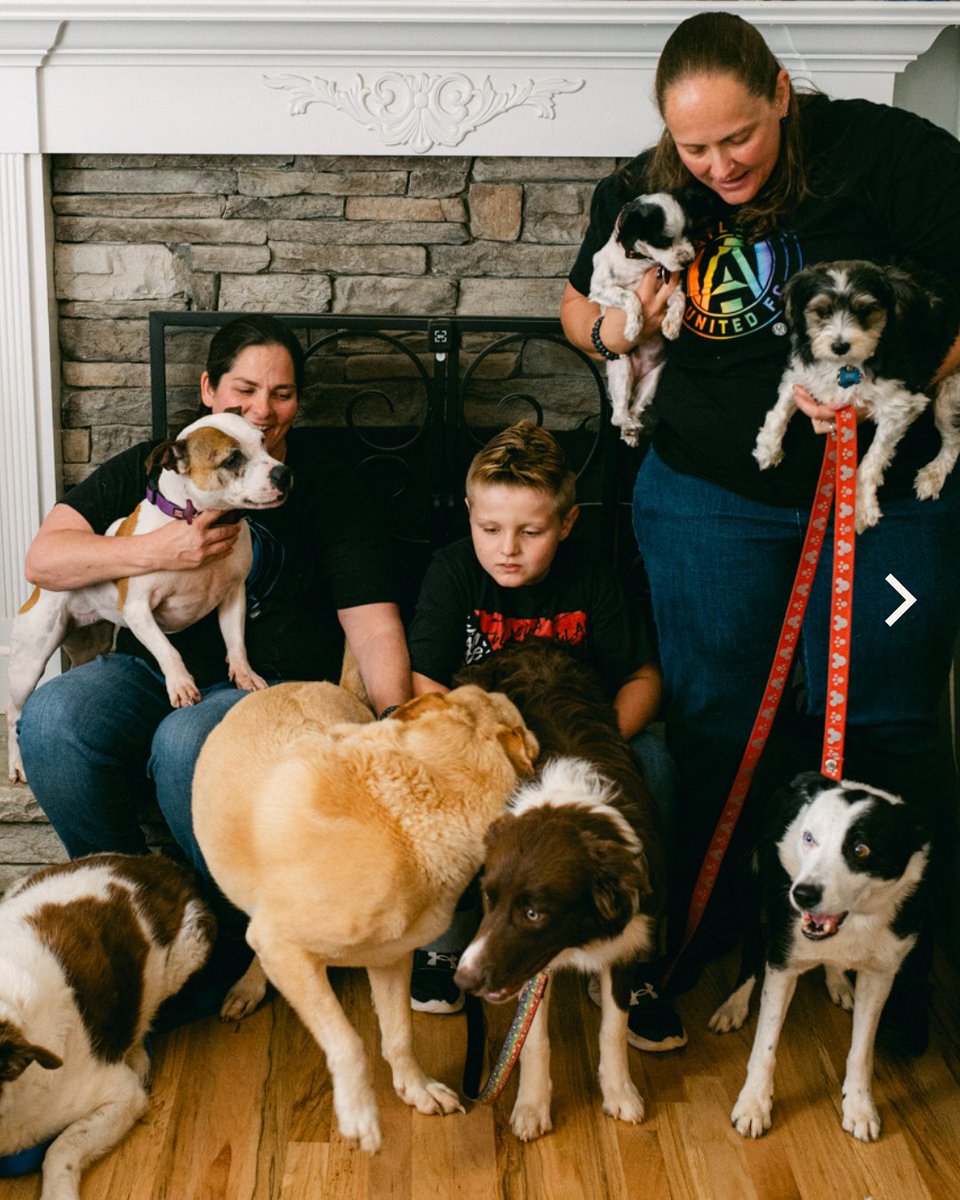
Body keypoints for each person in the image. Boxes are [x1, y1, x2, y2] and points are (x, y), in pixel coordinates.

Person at [561, 10, 960, 1056]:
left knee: (891, 715)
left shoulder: (884, 152)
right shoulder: (649, 190)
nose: (719, 165)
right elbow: (574, 309)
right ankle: (721, 936)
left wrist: (886, 379)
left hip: (887, 497)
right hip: (708, 500)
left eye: (737, 136)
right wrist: (617, 328)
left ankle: (898, 958)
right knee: (717, 722)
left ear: (779, 91)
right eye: (695, 146)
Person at [16, 314, 411, 1008]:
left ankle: (234, 937)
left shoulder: (327, 485)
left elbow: (372, 622)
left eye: (282, 394)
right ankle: (131, 913)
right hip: (152, 667)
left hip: (269, 686)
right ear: (208, 389)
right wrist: (155, 550)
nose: (263, 410)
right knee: (51, 719)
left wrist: (398, 725)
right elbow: (45, 560)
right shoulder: (164, 462)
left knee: (186, 742)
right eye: (245, 390)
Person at [405, 421, 685, 1053]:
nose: (508, 549)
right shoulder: (453, 572)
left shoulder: (592, 578)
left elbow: (644, 677)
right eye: (490, 529)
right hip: (490, 738)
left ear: (566, 523)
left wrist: (600, 746)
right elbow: (426, 682)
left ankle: (637, 954)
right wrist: (483, 749)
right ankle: (444, 941)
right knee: (440, 776)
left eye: (530, 533)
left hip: (585, 737)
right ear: (469, 514)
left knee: (659, 766)